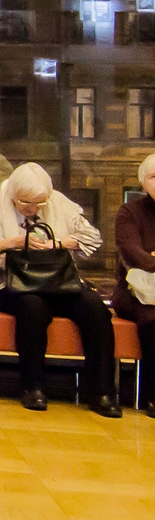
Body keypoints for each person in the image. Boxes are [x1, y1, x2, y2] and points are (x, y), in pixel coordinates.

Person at [0, 162, 113, 415]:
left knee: (95, 308)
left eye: (40, 203)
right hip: (13, 285)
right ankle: (33, 387)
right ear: (13, 194)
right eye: (25, 203)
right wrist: (14, 242)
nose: (33, 209)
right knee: (33, 307)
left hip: (60, 282)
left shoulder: (59, 202)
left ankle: (102, 391)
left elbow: (92, 238)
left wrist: (58, 243)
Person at [110, 155, 155, 417]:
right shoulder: (130, 212)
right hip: (135, 293)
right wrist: (149, 259)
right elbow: (133, 254)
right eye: (153, 177)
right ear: (143, 183)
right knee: (153, 316)